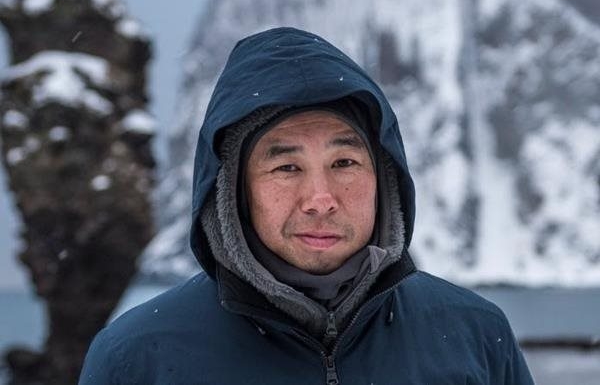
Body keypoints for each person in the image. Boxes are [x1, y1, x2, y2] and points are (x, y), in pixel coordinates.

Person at [79, 27, 534, 384]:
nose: (320, 200)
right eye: (286, 167)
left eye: (344, 162)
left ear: (383, 177)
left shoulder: (475, 336)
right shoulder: (137, 360)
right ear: (235, 191)